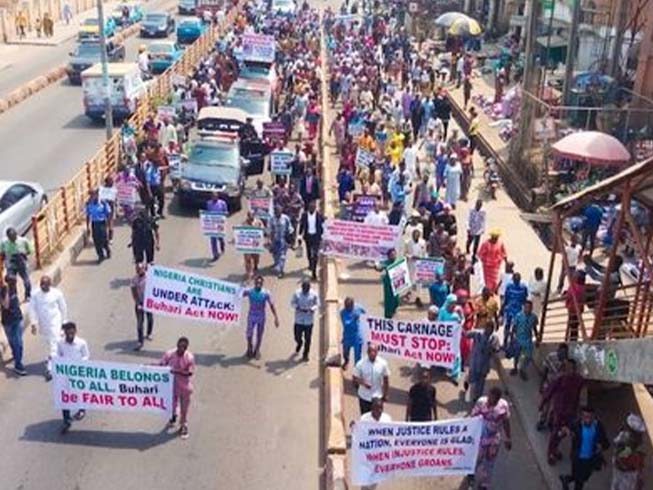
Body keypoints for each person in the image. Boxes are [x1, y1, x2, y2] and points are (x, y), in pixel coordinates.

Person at [541, 359, 586, 464]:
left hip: (571, 412)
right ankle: (551, 453)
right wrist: (542, 404)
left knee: (563, 432)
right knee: (556, 431)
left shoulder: (579, 380)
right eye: (567, 367)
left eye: (571, 368)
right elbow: (549, 391)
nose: (569, 370)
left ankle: (555, 449)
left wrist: (581, 410)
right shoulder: (560, 379)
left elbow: (582, 395)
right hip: (559, 411)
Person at [467, 387, 512, 490]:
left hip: (494, 440)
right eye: (490, 398)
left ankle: (484, 484)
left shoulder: (503, 406)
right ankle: (470, 474)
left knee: (490, 462)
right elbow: (472, 417)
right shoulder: (481, 403)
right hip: (480, 438)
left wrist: (508, 438)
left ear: (498, 399)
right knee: (476, 458)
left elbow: (506, 422)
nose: (492, 401)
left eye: (495, 400)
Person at [559, 406, 610, 490]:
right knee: (579, 481)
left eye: (591, 417)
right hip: (577, 458)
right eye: (586, 417)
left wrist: (602, 446)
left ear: (594, 417)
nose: (588, 420)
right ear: (581, 417)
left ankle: (566, 479)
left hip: (590, 459)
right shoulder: (576, 424)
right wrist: (562, 432)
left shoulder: (598, 427)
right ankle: (567, 480)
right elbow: (564, 431)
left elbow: (606, 443)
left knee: (583, 477)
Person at [29, 275, 68, 380]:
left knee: (53, 344)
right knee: (51, 342)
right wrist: (33, 323)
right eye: (42, 284)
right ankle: (58, 358)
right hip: (44, 324)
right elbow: (32, 309)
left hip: (55, 322)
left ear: (49, 285)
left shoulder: (57, 293)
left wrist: (64, 322)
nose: (43, 286)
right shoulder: (35, 294)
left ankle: (50, 369)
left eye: (45, 285)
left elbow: (63, 307)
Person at [57, 322, 90, 434]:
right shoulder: (61, 343)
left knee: (79, 393)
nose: (70, 335)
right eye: (67, 332)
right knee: (64, 396)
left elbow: (86, 356)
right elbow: (58, 356)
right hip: (65, 374)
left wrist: (79, 364)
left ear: (75, 331)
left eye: (72, 332)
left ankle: (82, 409)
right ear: (65, 333)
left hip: (78, 374)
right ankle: (66, 420)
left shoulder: (81, 343)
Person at [160, 337, 195, 440]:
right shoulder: (169, 354)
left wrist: (175, 371)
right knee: (172, 403)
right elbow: (161, 364)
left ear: (186, 348)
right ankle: (174, 415)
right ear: (177, 345)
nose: (181, 349)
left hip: (184, 387)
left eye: (183, 347)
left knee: (184, 409)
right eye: (179, 346)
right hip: (171, 385)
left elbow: (190, 372)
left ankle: (183, 425)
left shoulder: (189, 357)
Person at [243, 275, 279, 359]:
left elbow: (272, 305)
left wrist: (276, 317)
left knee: (259, 334)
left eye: (260, 282)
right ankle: (249, 347)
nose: (258, 284)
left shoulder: (266, 293)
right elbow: (238, 295)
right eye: (257, 282)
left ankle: (257, 349)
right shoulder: (250, 291)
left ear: (262, 283)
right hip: (251, 315)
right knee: (249, 333)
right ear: (254, 283)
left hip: (261, 316)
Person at [465, 321, 500, 402]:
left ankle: (477, 397)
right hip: (475, 362)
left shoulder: (494, 338)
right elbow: (466, 334)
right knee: (472, 380)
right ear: (485, 328)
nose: (489, 331)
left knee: (481, 383)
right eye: (488, 329)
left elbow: (497, 349)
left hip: (484, 364)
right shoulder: (477, 333)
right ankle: (468, 388)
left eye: (491, 329)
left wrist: (493, 349)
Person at [537, 342, 569, 431]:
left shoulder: (566, 363)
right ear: (558, 350)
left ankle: (551, 422)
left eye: (565, 353)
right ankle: (541, 421)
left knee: (555, 406)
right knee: (545, 405)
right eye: (562, 352)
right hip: (548, 384)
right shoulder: (551, 357)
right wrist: (541, 384)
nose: (563, 355)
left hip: (558, 387)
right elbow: (544, 371)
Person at [611, 414, 646, 490]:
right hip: (625, 473)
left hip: (629, 472)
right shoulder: (624, 438)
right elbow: (620, 457)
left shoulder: (635, 442)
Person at [352, 343, 390, 414]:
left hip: (377, 396)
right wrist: (363, 383)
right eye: (370, 351)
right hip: (364, 397)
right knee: (365, 417)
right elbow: (354, 378)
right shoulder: (360, 364)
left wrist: (386, 394)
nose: (372, 353)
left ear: (377, 352)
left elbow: (386, 380)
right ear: (367, 352)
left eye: (374, 351)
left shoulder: (383, 364)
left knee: (377, 418)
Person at [1, 274, 27, 375]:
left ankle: (18, 365)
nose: (14, 283)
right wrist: (7, 290)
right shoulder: (3, 290)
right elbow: (6, 305)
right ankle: (16, 355)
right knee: (12, 342)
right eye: (12, 282)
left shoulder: (14, 288)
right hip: (7, 321)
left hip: (17, 319)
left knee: (19, 343)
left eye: (15, 282)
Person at [290, 279, 320, 362]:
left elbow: (317, 304)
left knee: (308, 338)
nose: (305, 290)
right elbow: (292, 303)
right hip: (299, 319)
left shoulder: (314, 294)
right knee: (297, 336)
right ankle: (299, 343)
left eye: (307, 289)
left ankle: (305, 354)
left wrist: (311, 309)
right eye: (304, 289)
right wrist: (297, 307)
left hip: (308, 321)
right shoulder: (297, 293)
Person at [0, 227, 33, 301]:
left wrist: (25, 253)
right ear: (7, 237)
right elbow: (1, 253)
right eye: (11, 238)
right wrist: (1, 264)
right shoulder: (3, 242)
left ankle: (28, 295)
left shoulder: (23, 240)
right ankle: (14, 297)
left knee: (26, 279)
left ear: (16, 234)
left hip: (21, 263)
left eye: (14, 237)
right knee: (11, 282)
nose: (13, 239)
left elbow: (30, 250)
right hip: (10, 264)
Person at [510, 300, 539, 380]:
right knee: (516, 355)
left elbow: (534, 328)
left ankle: (523, 369)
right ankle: (515, 368)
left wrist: (537, 338)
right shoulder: (518, 316)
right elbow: (514, 327)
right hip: (519, 338)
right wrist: (512, 338)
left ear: (532, 308)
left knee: (529, 356)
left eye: (530, 307)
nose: (528, 309)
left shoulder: (534, 317)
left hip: (528, 339)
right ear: (523, 307)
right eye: (526, 307)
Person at [298, 200, 324, 280]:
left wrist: (323, 236)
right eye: (310, 208)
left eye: (313, 208)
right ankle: (310, 264)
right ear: (308, 208)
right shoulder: (304, 215)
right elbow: (301, 226)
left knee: (315, 255)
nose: (312, 209)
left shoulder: (319, 215)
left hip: (316, 237)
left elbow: (323, 225)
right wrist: (299, 236)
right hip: (308, 237)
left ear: (315, 208)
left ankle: (314, 272)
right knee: (309, 253)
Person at [502, 272, 528, 348]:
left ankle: (507, 342)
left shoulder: (510, 287)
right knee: (512, 327)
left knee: (511, 327)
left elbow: (506, 299)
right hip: (514, 310)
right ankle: (508, 342)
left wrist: (502, 308)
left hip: (513, 310)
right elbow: (524, 300)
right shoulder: (522, 287)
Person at [131, 263, 153, 351]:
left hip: (149, 302)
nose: (139, 271)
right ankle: (140, 341)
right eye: (137, 269)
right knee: (140, 323)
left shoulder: (150, 277)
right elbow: (134, 292)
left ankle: (149, 333)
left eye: (140, 269)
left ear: (144, 269)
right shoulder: (134, 279)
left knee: (150, 318)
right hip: (140, 302)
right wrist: (138, 303)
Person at [85, 189, 112, 263]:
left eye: (95, 195)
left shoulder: (103, 203)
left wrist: (109, 226)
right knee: (96, 241)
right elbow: (88, 215)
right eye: (92, 195)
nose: (94, 197)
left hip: (102, 223)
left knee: (103, 239)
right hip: (94, 224)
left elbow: (108, 214)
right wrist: (88, 227)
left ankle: (107, 249)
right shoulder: (89, 204)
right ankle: (100, 256)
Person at [268, 206, 293, 278]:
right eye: (276, 211)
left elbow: (290, 229)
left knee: (282, 255)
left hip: (283, 240)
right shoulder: (271, 219)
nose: (277, 213)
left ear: (281, 211)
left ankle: (280, 271)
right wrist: (269, 240)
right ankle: (276, 264)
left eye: (279, 211)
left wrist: (290, 241)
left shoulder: (286, 218)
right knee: (275, 254)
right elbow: (269, 230)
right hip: (274, 240)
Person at [340, 297, 365, 369]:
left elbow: (365, 314)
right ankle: (346, 361)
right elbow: (346, 324)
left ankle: (357, 370)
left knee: (358, 355)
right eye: (346, 306)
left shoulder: (358, 308)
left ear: (352, 305)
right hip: (347, 335)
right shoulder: (343, 313)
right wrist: (354, 319)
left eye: (349, 306)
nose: (347, 308)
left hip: (357, 335)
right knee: (345, 351)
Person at [242, 211, 264, 281]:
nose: (251, 217)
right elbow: (240, 233)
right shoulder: (244, 223)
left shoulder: (258, 222)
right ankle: (249, 273)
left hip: (256, 244)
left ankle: (255, 266)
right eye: (249, 216)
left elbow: (263, 230)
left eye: (252, 216)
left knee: (256, 258)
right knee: (247, 259)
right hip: (247, 245)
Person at [206, 192, 228, 262]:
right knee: (213, 240)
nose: (214, 198)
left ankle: (222, 243)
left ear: (218, 197)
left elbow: (226, 212)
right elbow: (207, 212)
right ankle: (215, 254)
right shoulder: (208, 203)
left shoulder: (222, 203)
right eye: (213, 197)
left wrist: (223, 216)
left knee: (220, 237)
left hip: (219, 224)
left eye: (215, 197)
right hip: (212, 224)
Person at [565, 270, 587, 342]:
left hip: (573, 309)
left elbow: (569, 296)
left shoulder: (574, 286)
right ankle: (573, 339)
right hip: (579, 308)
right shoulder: (583, 287)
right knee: (575, 326)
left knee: (573, 326)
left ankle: (572, 340)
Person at [380, 248, 401, 319]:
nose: (394, 256)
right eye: (392, 255)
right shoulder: (386, 263)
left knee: (396, 300)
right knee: (388, 301)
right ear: (388, 256)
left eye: (395, 254)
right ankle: (388, 316)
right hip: (388, 285)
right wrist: (377, 267)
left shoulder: (398, 262)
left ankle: (394, 310)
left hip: (396, 284)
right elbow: (379, 267)